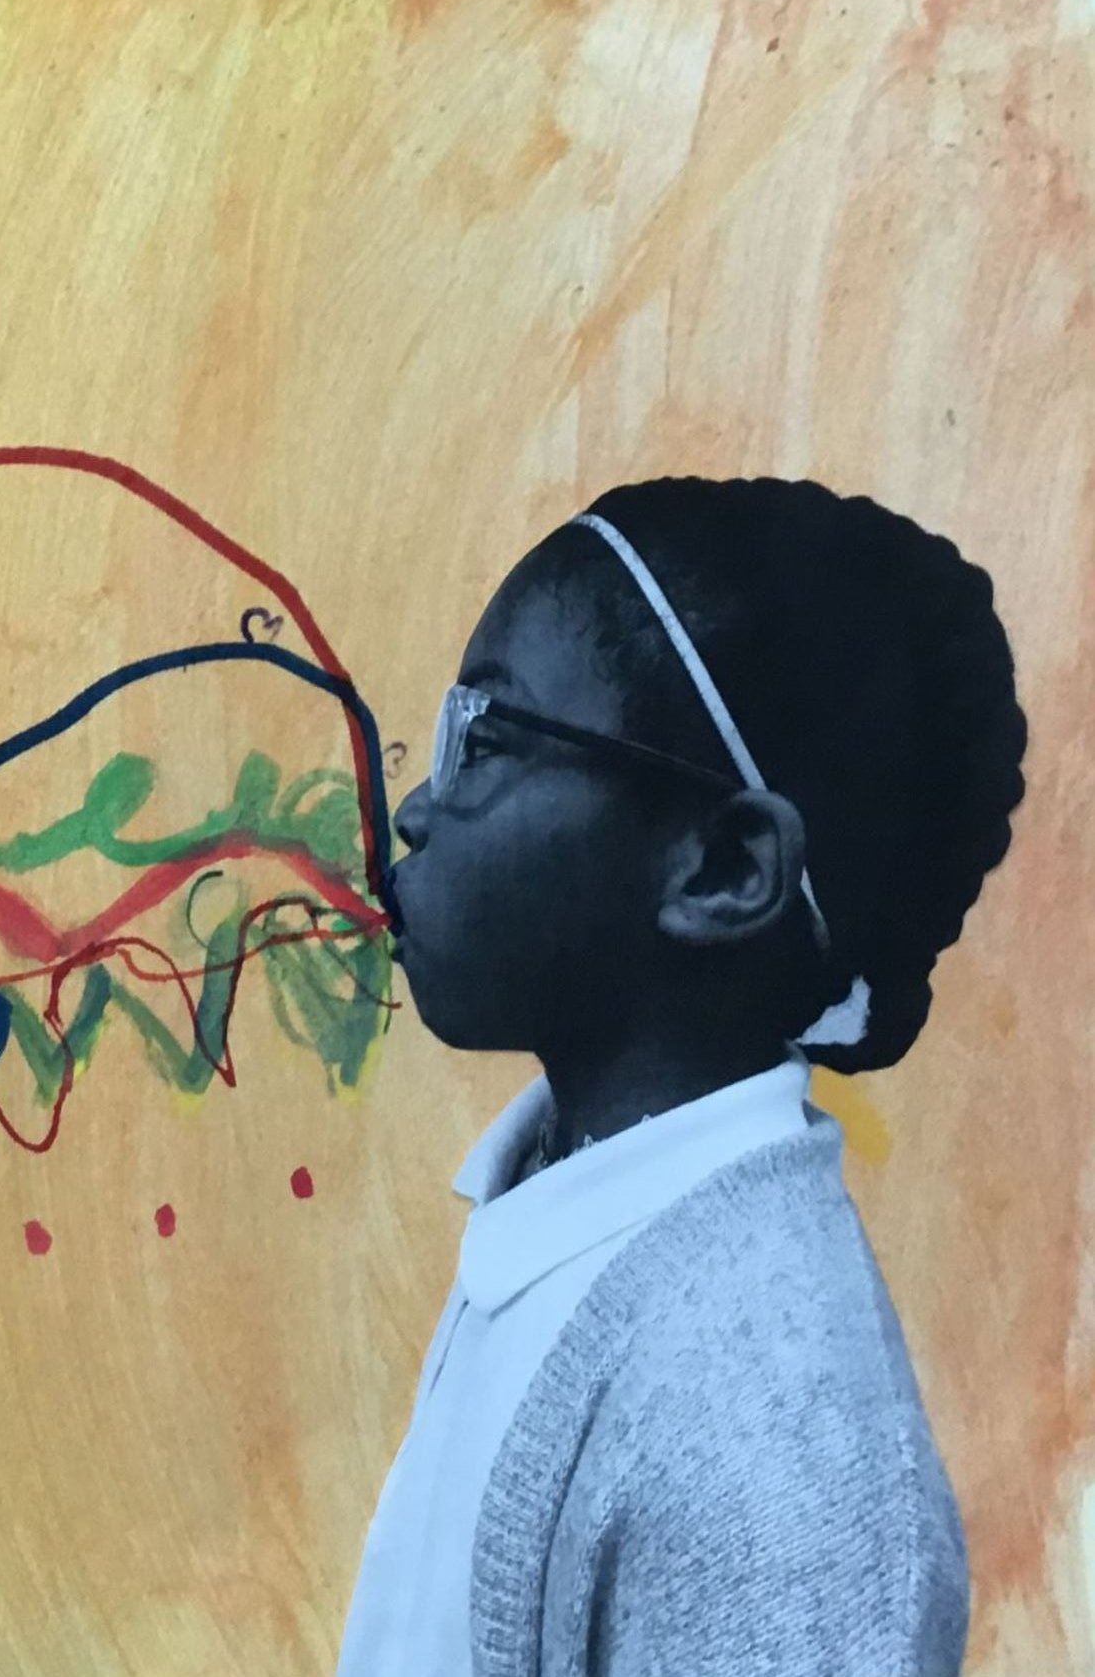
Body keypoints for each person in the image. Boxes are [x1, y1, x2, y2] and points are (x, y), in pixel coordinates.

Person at [336, 477, 1028, 1675]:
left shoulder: (777, 1444)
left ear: (725, 868)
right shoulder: (563, 1210)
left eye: (485, 740)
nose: (415, 808)